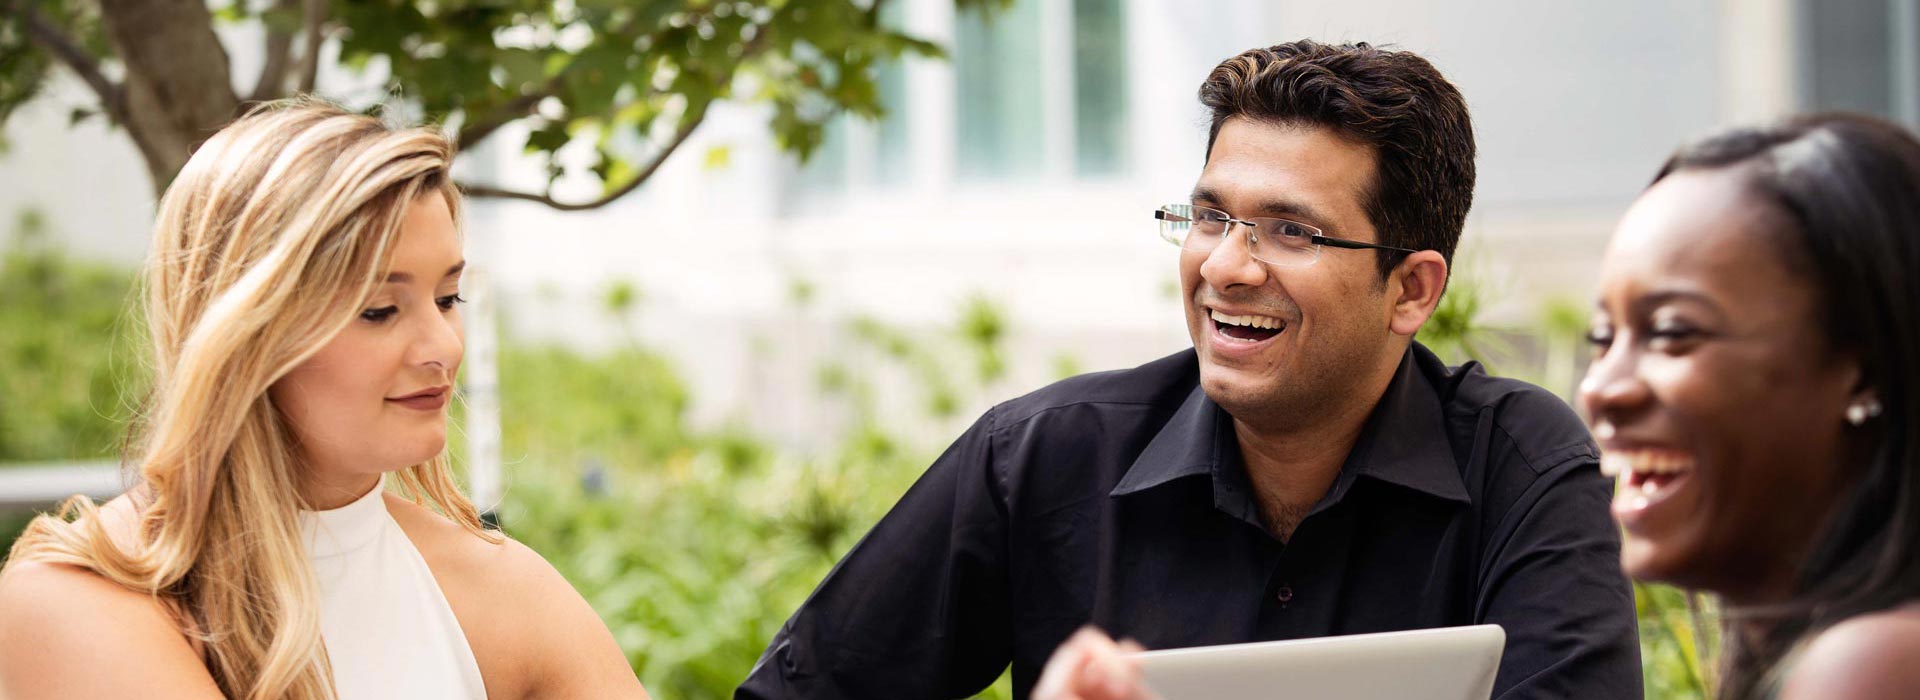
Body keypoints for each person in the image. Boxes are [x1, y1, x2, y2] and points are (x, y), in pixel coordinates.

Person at [737, 40, 1640, 700]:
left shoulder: (1520, 468)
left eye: (1292, 231)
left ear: (1411, 289)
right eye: (1210, 218)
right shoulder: (1041, 459)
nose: (1226, 266)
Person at [0, 102, 650, 700]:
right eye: (379, 309)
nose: (442, 347)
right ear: (242, 335)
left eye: (448, 299)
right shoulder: (76, 600)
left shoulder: (499, 588)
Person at [1582, 113, 1920, 700]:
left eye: (1670, 332)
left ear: (1860, 370)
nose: (1602, 388)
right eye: (1603, 338)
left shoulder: (1870, 667)